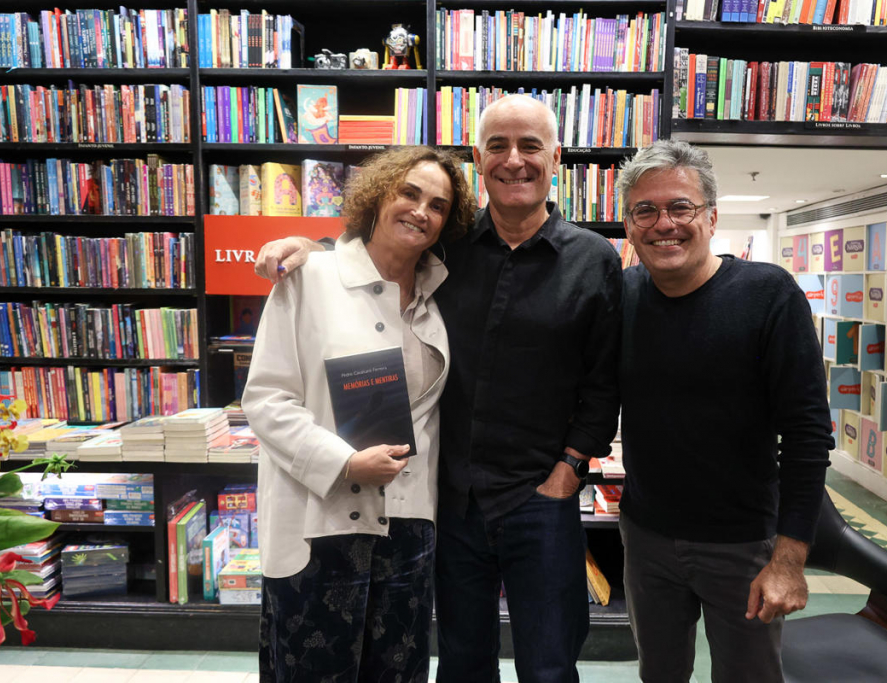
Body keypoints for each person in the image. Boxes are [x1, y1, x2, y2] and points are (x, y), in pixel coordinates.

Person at [255, 95, 623, 683]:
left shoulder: (594, 258)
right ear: (479, 158)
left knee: (550, 666)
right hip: (450, 503)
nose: (515, 160)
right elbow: (377, 261)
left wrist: (570, 470)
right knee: (460, 663)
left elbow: (605, 381)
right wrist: (315, 249)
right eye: (498, 146)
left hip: (541, 500)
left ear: (556, 157)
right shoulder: (445, 251)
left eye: (531, 146)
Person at [242, 146, 476, 683]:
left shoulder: (439, 296)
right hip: (319, 524)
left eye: (438, 205)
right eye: (410, 193)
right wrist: (345, 463)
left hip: (408, 529)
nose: (421, 211)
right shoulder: (307, 279)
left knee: (399, 672)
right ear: (379, 194)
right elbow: (266, 400)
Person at [614, 139, 834, 683]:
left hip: (743, 547)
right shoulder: (622, 296)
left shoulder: (769, 295)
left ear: (711, 217)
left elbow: (807, 435)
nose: (664, 223)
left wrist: (788, 561)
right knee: (658, 675)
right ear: (629, 225)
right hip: (646, 538)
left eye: (680, 207)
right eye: (646, 210)